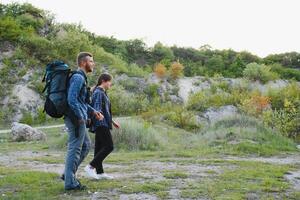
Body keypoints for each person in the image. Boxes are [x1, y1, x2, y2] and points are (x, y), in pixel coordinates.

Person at [64, 52, 103, 191]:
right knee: (74, 149)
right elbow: (71, 99)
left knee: (86, 145)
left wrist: (93, 112)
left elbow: (81, 102)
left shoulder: (81, 78)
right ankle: (70, 182)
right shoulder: (78, 78)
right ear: (83, 63)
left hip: (78, 117)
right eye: (91, 61)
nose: (93, 64)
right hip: (76, 119)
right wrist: (81, 117)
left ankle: (67, 175)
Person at [84, 73, 120, 180]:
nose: (110, 84)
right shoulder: (99, 92)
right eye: (109, 82)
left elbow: (105, 110)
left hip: (103, 122)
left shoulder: (102, 92)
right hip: (101, 123)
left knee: (99, 149)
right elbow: (97, 108)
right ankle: (90, 167)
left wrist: (113, 122)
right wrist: (100, 119)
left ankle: (100, 172)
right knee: (109, 146)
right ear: (104, 81)